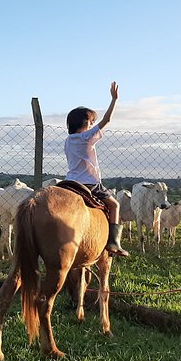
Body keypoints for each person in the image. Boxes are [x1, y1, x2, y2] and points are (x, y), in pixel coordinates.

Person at [64, 81, 129, 257]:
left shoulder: (68, 140)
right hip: (90, 184)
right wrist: (114, 100)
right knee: (114, 205)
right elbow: (107, 120)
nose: (93, 125)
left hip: (69, 182)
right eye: (92, 122)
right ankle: (114, 243)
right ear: (86, 123)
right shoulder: (86, 137)